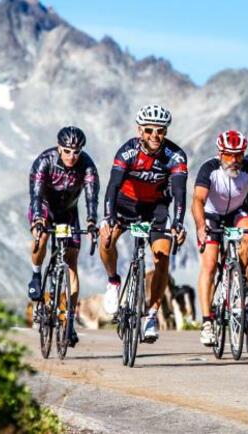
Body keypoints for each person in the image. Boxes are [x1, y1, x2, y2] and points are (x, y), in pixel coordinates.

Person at [99, 104, 188, 344]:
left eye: (160, 131)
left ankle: (151, 315)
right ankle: (113, 281)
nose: (154, 136)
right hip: (124, 204)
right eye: (149, 130)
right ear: (140, 131)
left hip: (156, 208)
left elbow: (180, 193)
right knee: (105, 239)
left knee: (162, 257)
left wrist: (178, 223)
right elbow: (112, 187)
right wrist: (108, 218)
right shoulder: (127, 152)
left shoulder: (175, 156)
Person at [192, 130, 248, 346]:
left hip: (236, 213)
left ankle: (240, 281)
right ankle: (207, 322)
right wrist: (201, 227)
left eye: (238, 155)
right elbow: (198, 200)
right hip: (211, 215)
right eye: (229, 155)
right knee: (209, 264)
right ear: (220, 153)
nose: (235, 160)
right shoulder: (209, 168)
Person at [27, 126, 99, 347]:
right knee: (42, 237)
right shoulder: (44, 161)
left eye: (76, 152)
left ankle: (69, 323)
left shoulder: (87, 166)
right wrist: (39, 220)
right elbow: (36, 195)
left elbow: (91, 197)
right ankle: (37, 275)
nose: (71, 156)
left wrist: (91, 222)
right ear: (59, 148)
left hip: (68, 211)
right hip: (45, 207)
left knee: (71, 262)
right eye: (67, 151)